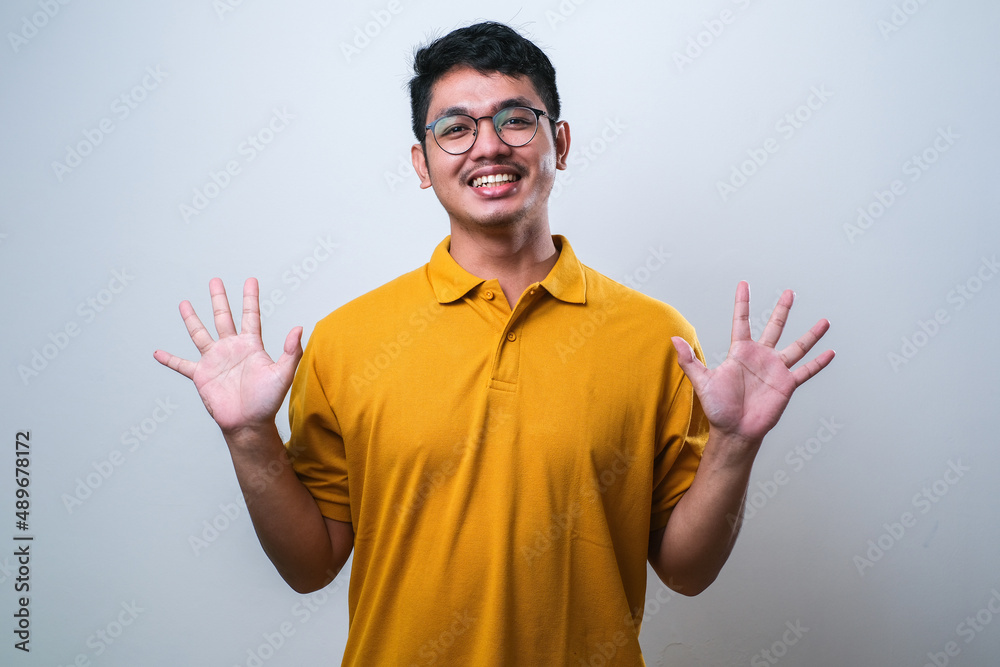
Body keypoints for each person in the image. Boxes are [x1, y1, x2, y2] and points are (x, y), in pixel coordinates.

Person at [154, 21, 834, 666]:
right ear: (421, 163)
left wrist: (736, 446)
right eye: (455, 128)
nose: (488, 146)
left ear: (558, 143)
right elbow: (310, 565)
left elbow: (687, 570)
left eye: (515, 119)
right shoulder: (346, 340)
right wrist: (249, 436)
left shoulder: (659, 336)